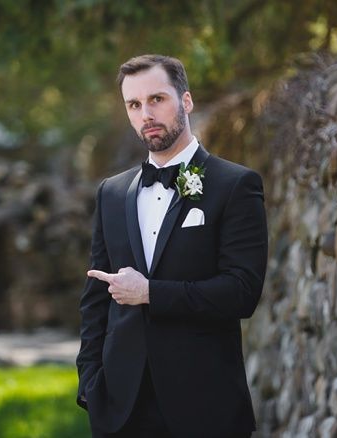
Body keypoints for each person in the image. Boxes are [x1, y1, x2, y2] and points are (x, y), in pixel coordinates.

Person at [76, 55, 267, 437]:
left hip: (205, 406)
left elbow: (241, 293)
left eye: (157, 99)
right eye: (134, 104)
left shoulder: (235, 185)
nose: (146, 113)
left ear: (186, 101)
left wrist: (150, 293)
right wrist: (91, 384)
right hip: (120, 409)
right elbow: (96, 297)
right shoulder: (111, 193)